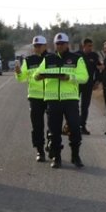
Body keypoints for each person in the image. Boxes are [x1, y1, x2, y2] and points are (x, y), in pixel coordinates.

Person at [36, 32, 88, 168]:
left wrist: (69, 78)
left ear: (67, 44)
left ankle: (75, 156)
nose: (59, 46)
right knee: (54, 131)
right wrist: (39, 76)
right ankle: (57, 157)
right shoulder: (48, 59)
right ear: (54, 45)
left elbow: (84, 77)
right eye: (57, 44)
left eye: (62, 43)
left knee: (75, 128)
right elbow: (36, 75)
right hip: (52, 100)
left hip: (70, 99)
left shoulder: (77, 59)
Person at [16, 36, 52, 162]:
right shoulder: (29, 60)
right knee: (37, 126)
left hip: (50, 96)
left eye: (39, 45)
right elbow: (21, 78)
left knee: (53, 124)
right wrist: (18, 72)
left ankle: (50, 143)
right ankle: (40, 150)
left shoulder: (52, 59)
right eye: (35, 46)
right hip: (35, 97)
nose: (37, 48)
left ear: (45, 46)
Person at [76, 38, 102, 134]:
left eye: (92, 46)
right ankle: (74, 124)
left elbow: (98, 68)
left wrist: (97, 81)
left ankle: (83, 126)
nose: (91, 48)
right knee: (74, 105)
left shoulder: (94, 56)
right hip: (77, 84)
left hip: (88, 84)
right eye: (89, 46)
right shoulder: (76, 55)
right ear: (83, 46)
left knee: (85, 106)